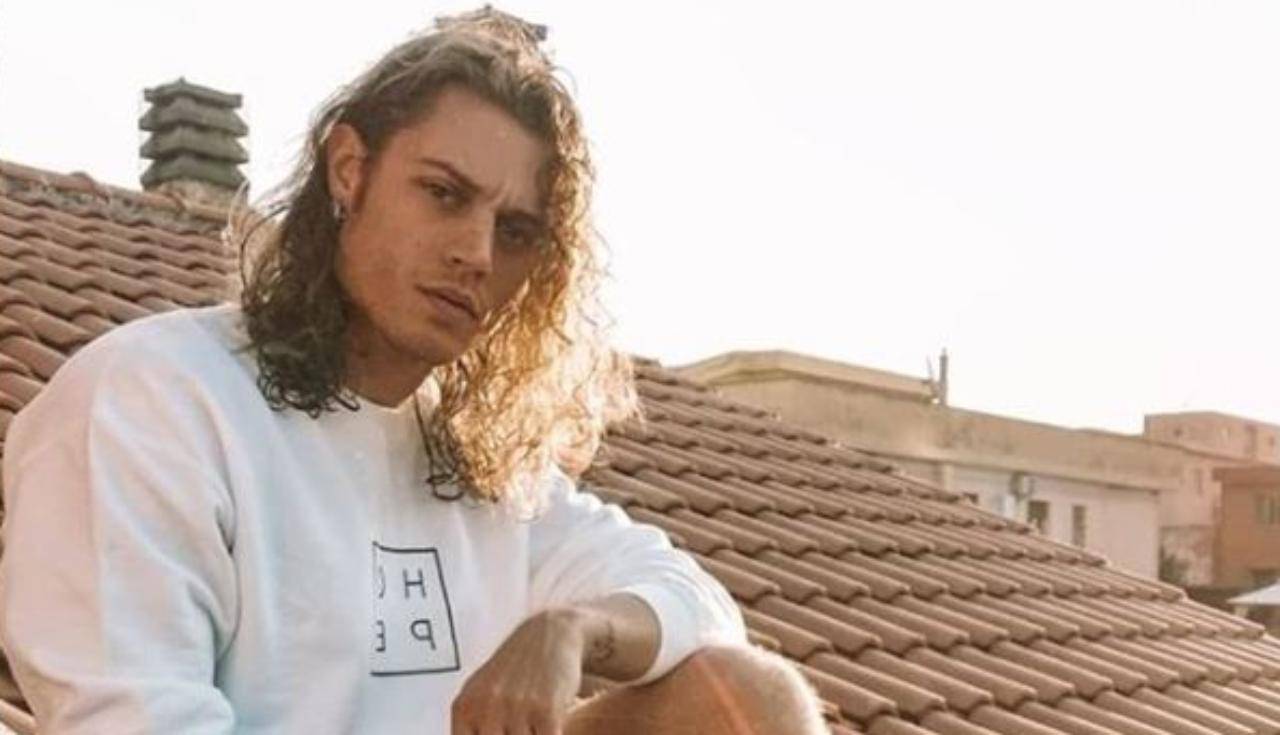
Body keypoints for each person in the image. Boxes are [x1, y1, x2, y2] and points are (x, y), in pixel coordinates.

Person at [0, 7, 827, 734]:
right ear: (349, 169)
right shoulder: (153, 399)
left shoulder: (481, 469)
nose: (476, 253)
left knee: (744, 699)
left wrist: (572, 629)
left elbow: (696, 603)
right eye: (443, 193)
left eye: (515, 232)